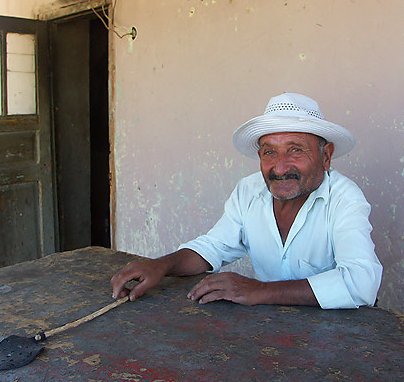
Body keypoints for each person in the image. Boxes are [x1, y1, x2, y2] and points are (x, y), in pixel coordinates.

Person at [110, 92, 382, 309]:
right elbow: (214, 246)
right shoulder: (249, 191)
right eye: (269, 152)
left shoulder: (345, 199)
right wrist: (161, 266)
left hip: (333, 337)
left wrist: (259, 290)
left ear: (326, 156)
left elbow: (361, 283)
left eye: (295, 150)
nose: (279, 167)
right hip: (266, 328)